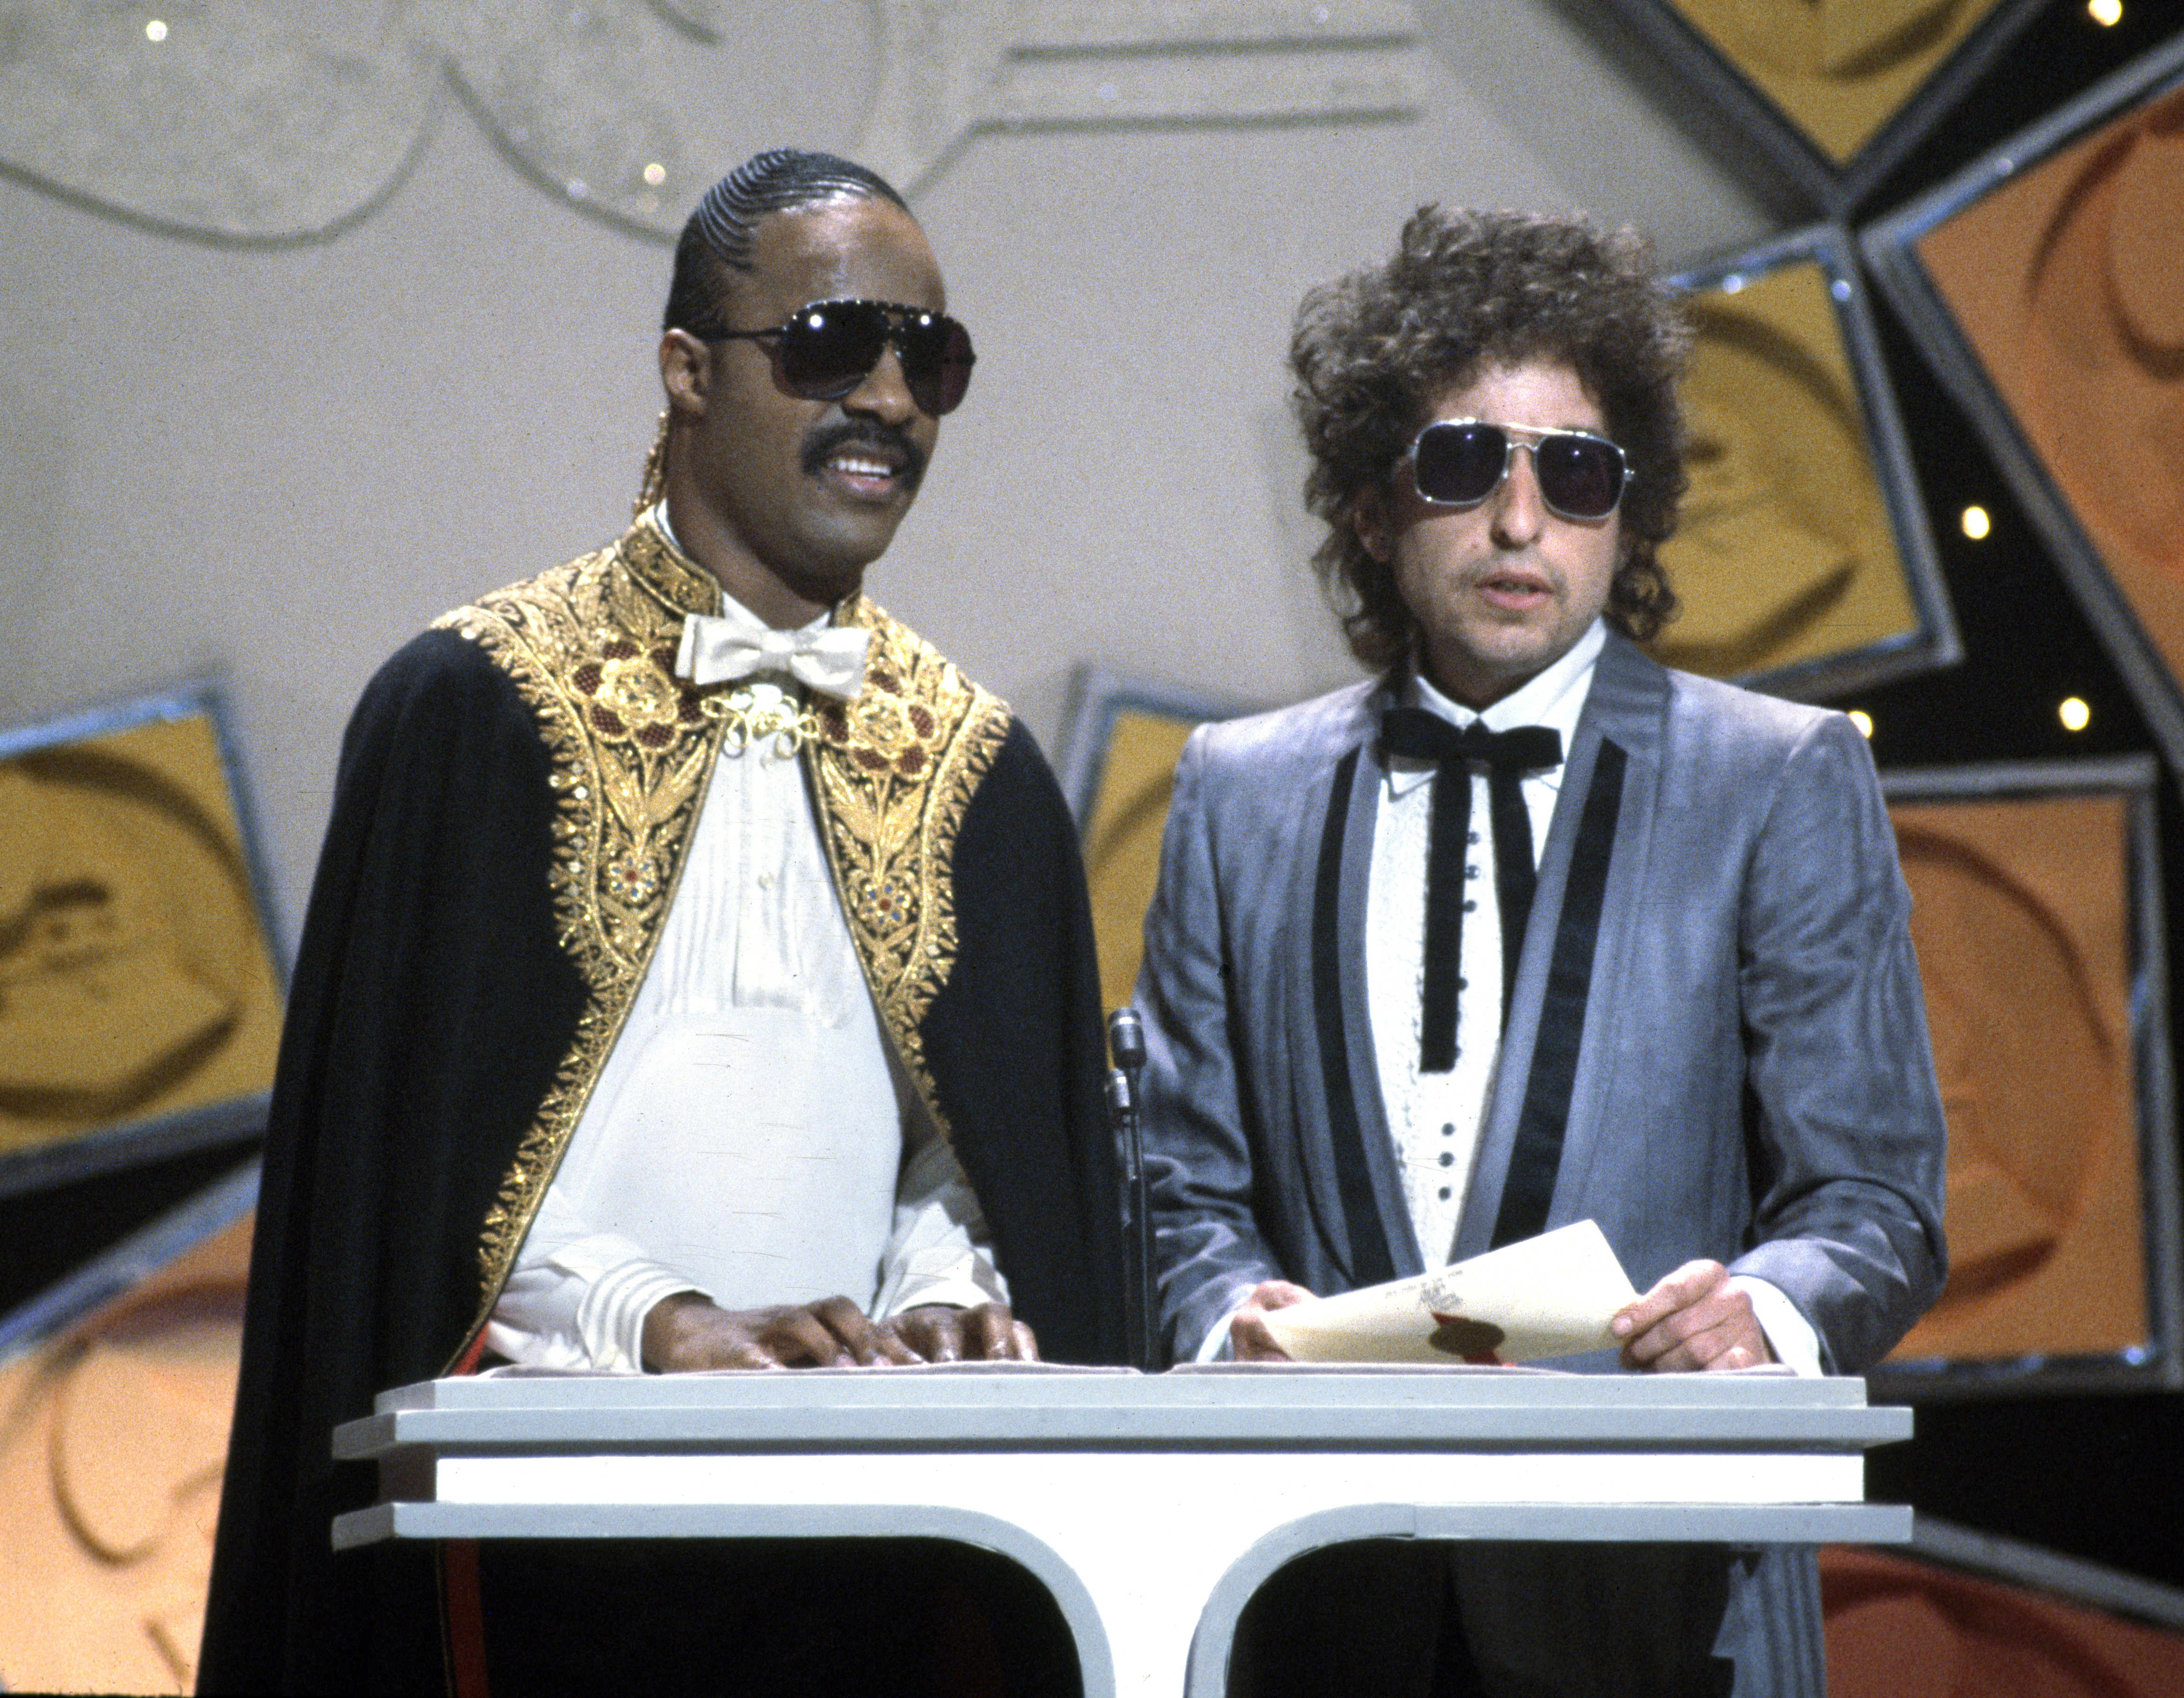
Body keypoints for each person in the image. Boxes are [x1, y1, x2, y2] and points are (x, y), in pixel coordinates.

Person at [200, 147, 1121, 1695]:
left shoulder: (978, 768)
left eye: (930, 356)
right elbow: (415, 1164)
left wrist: (944, 1297)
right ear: (686, 371)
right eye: (833, 344)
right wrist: (657, 1321)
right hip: (525, 1551)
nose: (890, 396)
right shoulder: (472, 712)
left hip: (875, 1553)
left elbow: (975, 1147)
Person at [1135, 207, 1948, 1696]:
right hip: (1312, 1588)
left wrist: (1759, 1312)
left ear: (1625, 514)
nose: (1519, 524)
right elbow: (1183, 1184)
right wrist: (1221, 1312)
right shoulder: (1233, 791)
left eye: (1572, 473)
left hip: (1656, 1593)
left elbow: (1874, 1195)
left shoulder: (1777, 774)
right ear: (1374, 505)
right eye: (1463, 463)